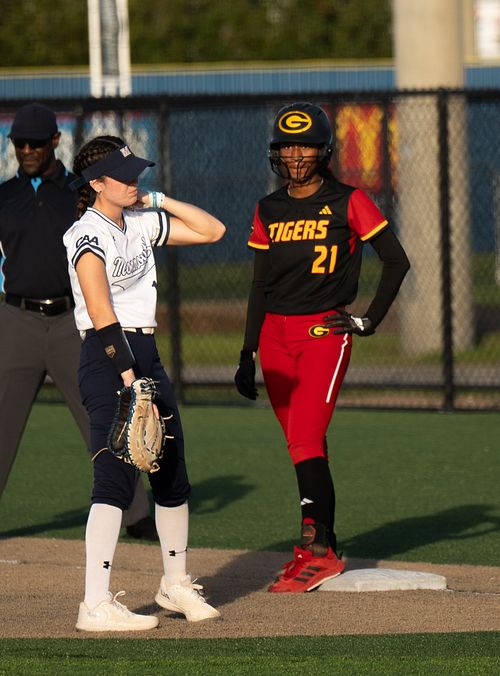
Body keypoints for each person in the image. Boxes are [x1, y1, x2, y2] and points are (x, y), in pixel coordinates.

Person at [234, 102, 410, 593]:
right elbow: (259, 285)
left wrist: (368, 320)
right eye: (287, 146)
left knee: (305, 440)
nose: (295, 156)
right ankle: (321, 540)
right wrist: (247, 351)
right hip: (273, 337)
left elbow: (396, 261)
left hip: (322, 333)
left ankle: (319, 553)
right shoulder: (268, 208)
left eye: (306, 146)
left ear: (324, 151)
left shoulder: (349, 201)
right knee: (304, 442)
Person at [64, 135, 226, 631]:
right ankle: (94, 604)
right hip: (108, 356)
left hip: (147, 354)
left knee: (171, 471)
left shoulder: (139, 221)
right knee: (114, 478)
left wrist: (159, 199)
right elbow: (100, 312)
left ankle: (174, 584)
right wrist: (131, 381)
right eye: (122, 175)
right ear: (96, 184)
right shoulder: (85, 234)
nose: (133, 180)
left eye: (135, 172)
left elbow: (213, 230)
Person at [0, 102, 155, 539]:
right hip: (17, 319)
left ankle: (136, 512)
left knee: (103, 415)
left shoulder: (79, 193)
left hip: (74, 321)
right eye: (19, 143)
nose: (27, 150)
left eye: (35, 142)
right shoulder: (4, 197)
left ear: (54, 141)